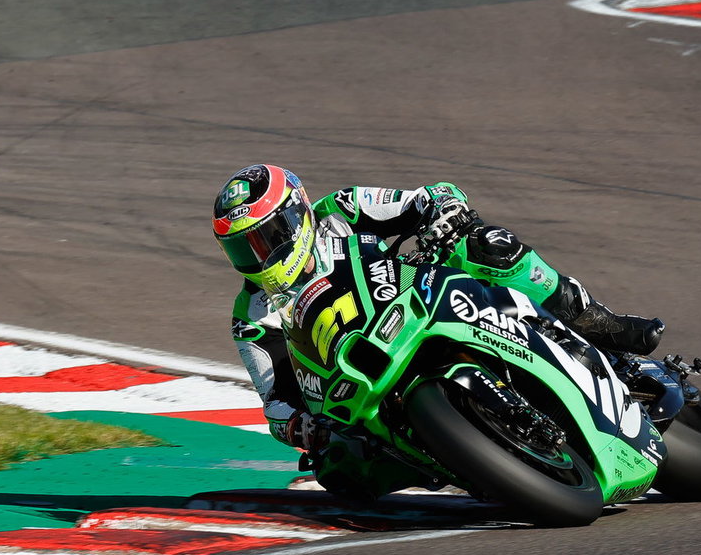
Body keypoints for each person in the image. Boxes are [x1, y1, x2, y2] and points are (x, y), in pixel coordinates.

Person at [212, 163, 663, 458]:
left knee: (487, 245)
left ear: (297, 213)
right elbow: (274, 401)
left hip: (421, 299)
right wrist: (299, 428)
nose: (259, 256)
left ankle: (594, 319)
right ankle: (470, 460)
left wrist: (446, 212)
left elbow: (425, 197)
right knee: (340, 470)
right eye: (243, 249)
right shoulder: (250, 316)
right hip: (360, 386)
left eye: (267, 237)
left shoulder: (341, 211)